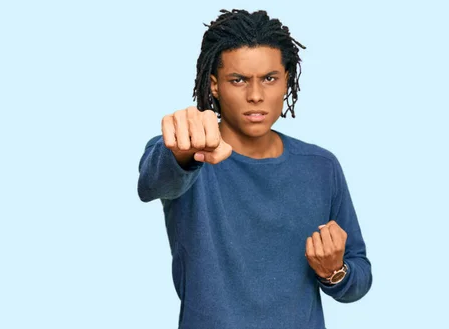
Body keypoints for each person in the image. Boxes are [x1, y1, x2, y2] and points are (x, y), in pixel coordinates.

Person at [137, 9, 372, 329]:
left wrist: (335, 271)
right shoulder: (189, 153)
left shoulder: (321, 167)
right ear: (214, 85)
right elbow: (152, 182)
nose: (256, 96)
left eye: (269, 78)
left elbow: (360, 276)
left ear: (287, 80)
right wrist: (184, 153)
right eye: (239, 80)